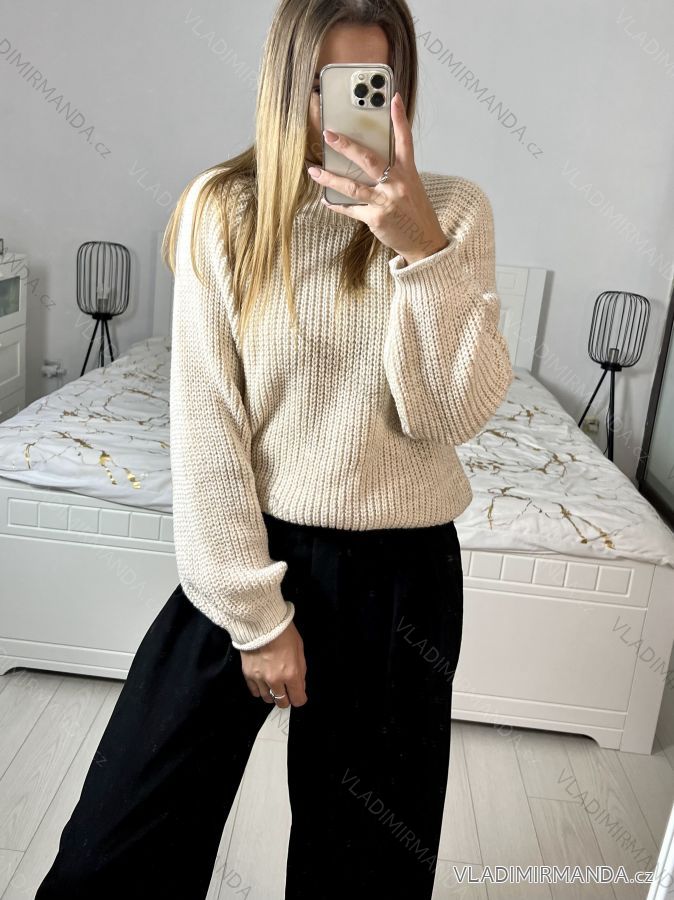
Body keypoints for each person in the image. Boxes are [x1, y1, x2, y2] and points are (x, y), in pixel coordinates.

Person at [35, 0, 513, 897]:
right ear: (287, 84)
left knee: (365, 872)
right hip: (250, 554)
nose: (342, 113)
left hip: (402, 578)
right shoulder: (224, 211)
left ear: (399, 91)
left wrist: (419, 251)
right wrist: (258, 620)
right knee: (115, 848)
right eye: (325, 85)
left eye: (369, 85)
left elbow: (449, 415)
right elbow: (207, 427)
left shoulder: (453, 213)